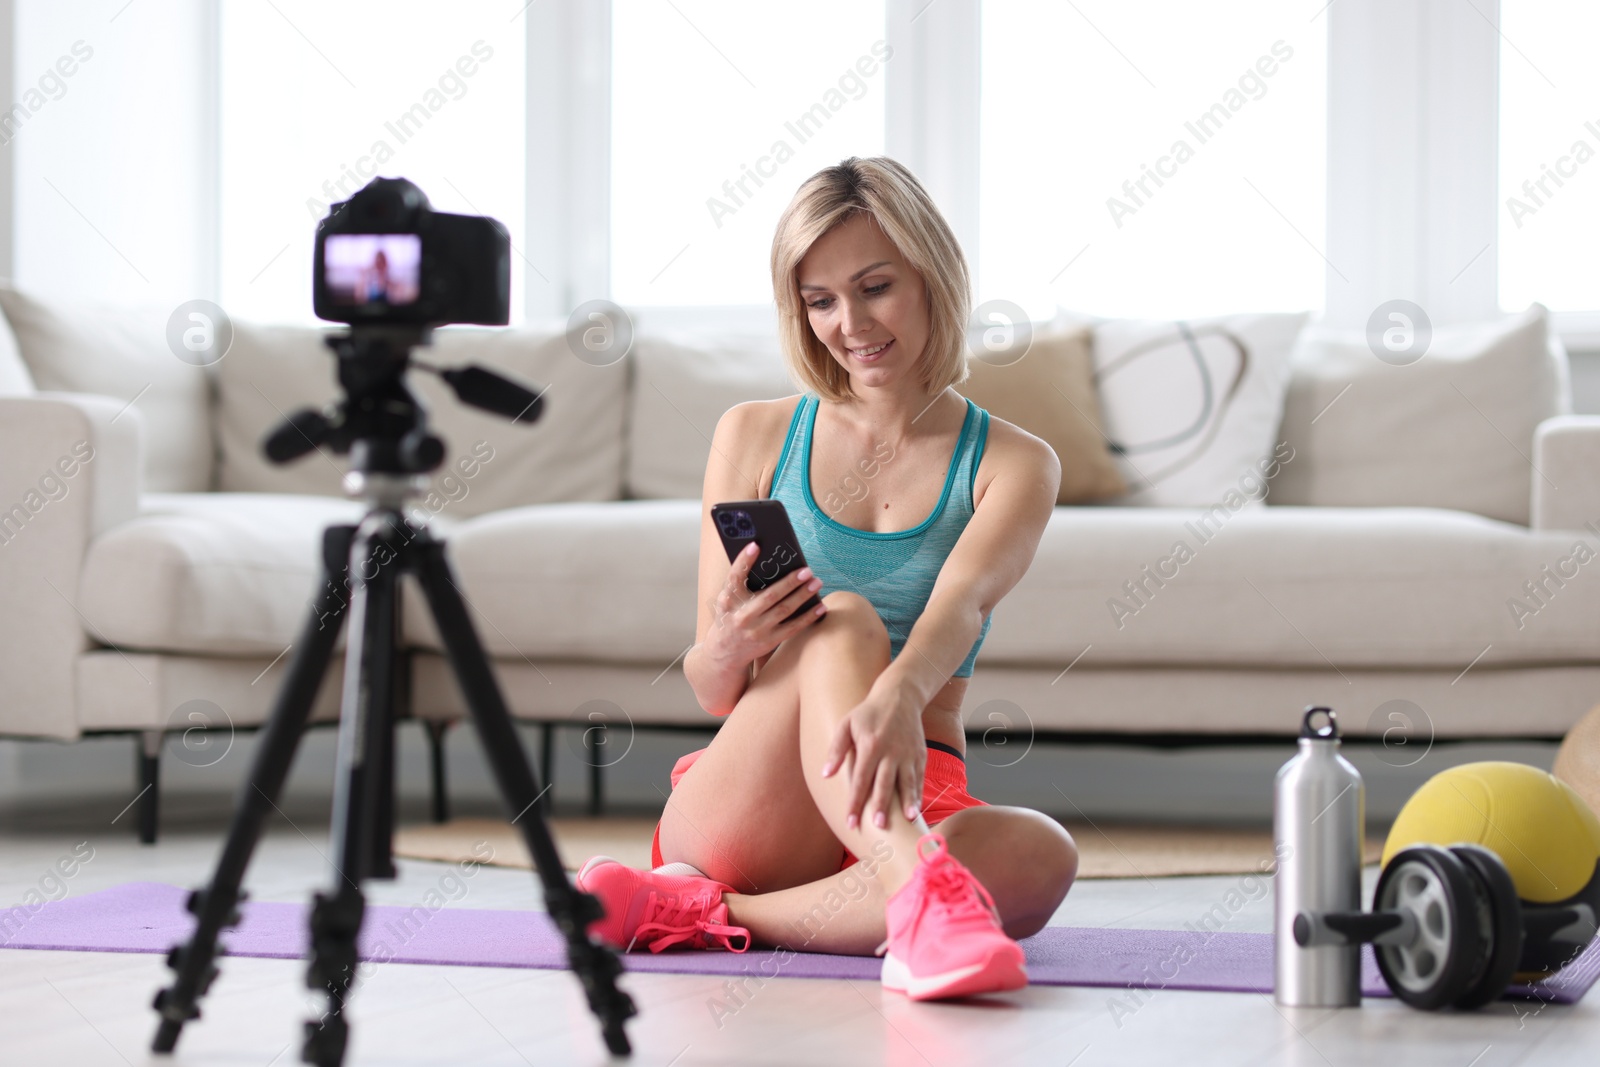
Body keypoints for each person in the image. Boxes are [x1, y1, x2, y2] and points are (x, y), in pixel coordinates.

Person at [576, 157, 1078, 1001]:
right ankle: (917, 900)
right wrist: (728, 642)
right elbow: (710, 687)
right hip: (753, 798)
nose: (851, 324)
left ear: (932, 276)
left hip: (911, 774)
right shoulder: (754, 433)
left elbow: (965, 604)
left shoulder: (1014, 461)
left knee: (1042, 857)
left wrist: (899, 697)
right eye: (820, 300)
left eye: (876, 286)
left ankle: (703, 910)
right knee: (843, 620)